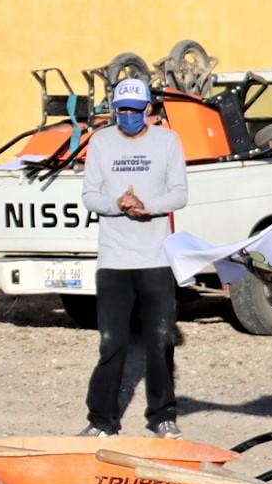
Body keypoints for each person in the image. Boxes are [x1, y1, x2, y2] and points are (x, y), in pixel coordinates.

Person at [79, 78, 190, 438]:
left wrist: (147, 207)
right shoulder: (101, 142)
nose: (128, 116)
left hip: (156, 258)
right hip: (113, 260)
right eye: (121, 110)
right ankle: (101, 421)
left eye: (134, 110)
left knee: (160, 341)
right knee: (112, 343)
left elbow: (179, 194)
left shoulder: (167, 142)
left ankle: (162, 416)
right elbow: (89, 196)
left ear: (149, 110)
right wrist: (118, 204)